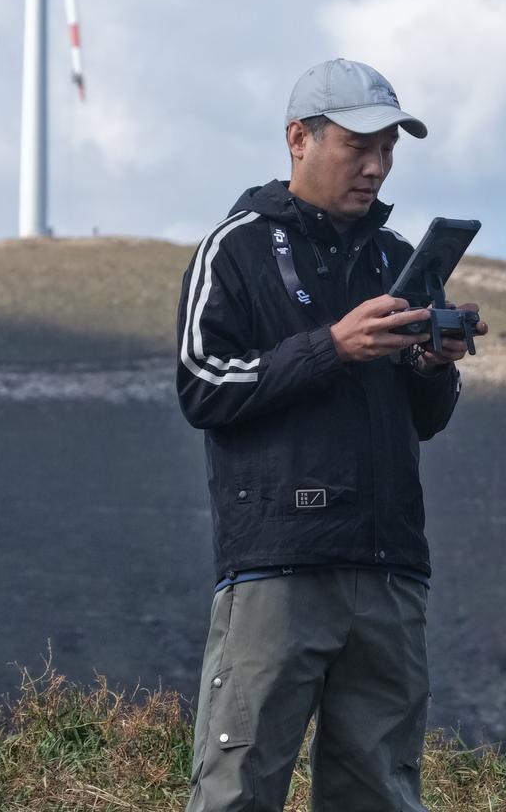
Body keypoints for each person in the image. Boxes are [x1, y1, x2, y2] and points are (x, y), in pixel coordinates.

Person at [176, 58, 486, 812]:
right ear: (298, 139)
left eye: (388, 150)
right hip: (279, 566)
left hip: (389, 567)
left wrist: (431, 365)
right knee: (238, 792)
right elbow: (202, 383)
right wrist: (333, 347)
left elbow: (427, 419)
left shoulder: (399, 259)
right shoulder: (239, 247)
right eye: (358, 146)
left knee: (379, 793)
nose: (376, 166)